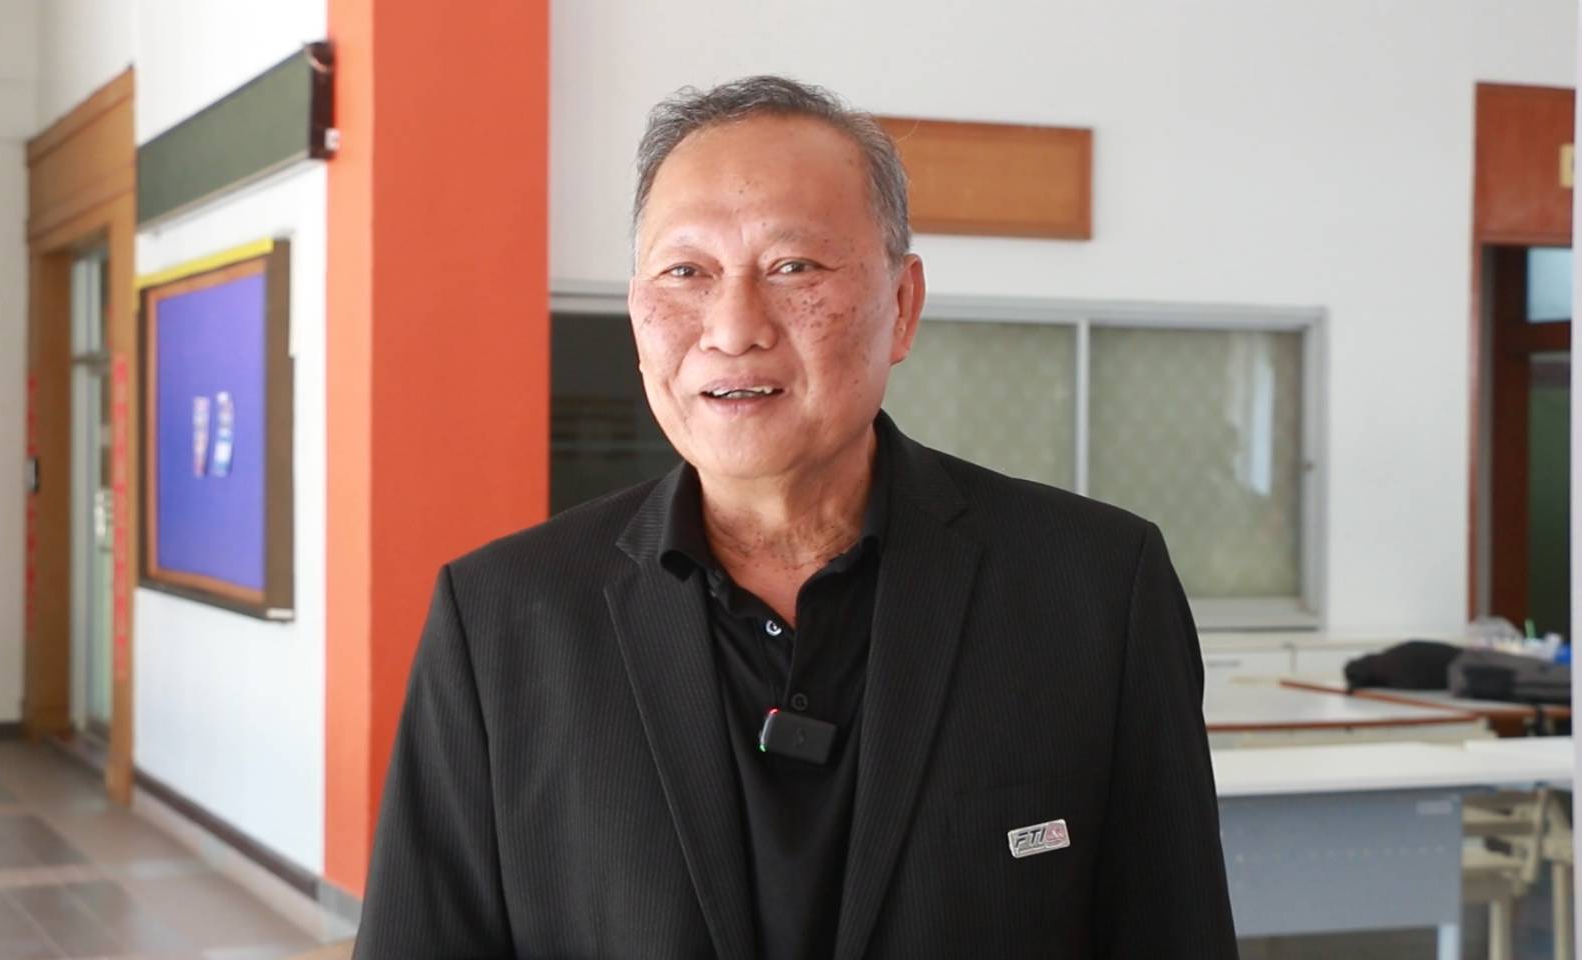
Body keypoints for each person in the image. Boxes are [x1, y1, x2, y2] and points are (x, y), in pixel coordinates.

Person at [353, 75, 1237, 959]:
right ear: (637, 312)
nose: (734, 328)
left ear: (902, 305)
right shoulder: (501, 616)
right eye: (686, 272)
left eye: (794, 267)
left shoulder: (1094, 588)